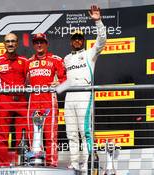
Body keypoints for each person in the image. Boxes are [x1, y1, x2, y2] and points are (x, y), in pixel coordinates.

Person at [56, 5, 107, 173]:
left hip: (85, 94)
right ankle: (74, 163)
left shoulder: (91, 53)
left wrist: (98, 21)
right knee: (71, 133)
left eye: (80, 38)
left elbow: (102, 40)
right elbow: (66, 82)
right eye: (74, 38)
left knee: (85, 132)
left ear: (83, 40)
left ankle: (87, 164)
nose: (77, 40)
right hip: (70, 97)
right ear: (71, 41)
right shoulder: (66, 59)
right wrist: (55, 88)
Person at [26, 33, 66, 167]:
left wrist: (59, 86)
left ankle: (51, 164)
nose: (39, 45)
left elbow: (66, 81)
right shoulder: (28, 62)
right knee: (33, 133)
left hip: (49, 100)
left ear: (46, 44)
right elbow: (23, 81)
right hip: (33, 100)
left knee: (50, 134)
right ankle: (35, 162)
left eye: (41, 42)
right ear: (33, 45)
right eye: (36, 42)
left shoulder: (56, 60)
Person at [0, 33, 29, 166]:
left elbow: (29, 81)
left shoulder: (24, 61)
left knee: (23, 134)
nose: (10, 44)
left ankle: (21, 163)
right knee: (2, 134)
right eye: (8, 41)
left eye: (13, 41)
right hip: (4, 100)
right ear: (4, 44)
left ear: (17, 43)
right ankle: (3, 164)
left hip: (21, 100)